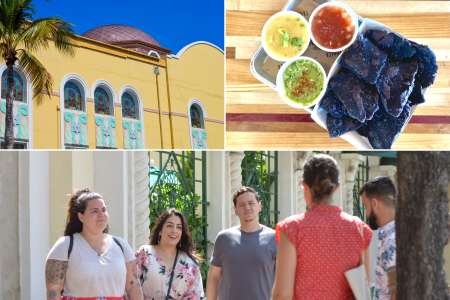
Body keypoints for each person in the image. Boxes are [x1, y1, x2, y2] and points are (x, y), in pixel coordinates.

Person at [272, 154, 373, 300]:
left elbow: (283, 294)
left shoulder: (292, 228)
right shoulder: (360, 229)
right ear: (336, 188)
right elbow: (365, 290)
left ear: (304, 187)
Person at [45, 188, 143, 300]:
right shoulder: (65, 245)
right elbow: (54, 290)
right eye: (95, 211)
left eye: (104, 210)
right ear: (81, 216)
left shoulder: (121, 245)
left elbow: (133, 286)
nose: (101, 215)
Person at [206, 186, 277, 300]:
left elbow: (283, 279)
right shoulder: (224, 238)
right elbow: (214, 277)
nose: (247, 207)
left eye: (251, 203)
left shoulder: (274, 238)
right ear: (236, 210)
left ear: (260, 206)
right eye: (242, 205)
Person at [135, 208, 204, 299]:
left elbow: (196, 295)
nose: (174, 230)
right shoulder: (145, 253)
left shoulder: (190, 263)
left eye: (179, 227)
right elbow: (131, 285)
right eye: (169, 225)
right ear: (160, 230)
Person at [360, 176, 397, 300]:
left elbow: (397, 291)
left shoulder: (391, 241)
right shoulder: (394, 235)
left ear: (374, 204)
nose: (366, 213)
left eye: (366, 207)